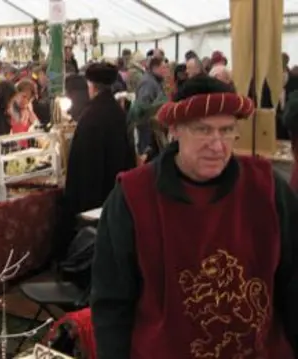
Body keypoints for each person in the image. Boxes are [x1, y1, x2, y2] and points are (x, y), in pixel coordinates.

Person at [91, 76, 298, 358]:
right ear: (175, 129)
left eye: (227, 130)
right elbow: (112, 304)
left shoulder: (268, 190)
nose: (217, 145)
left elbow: (294, 283)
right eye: (203, 130)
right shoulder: (132, 198)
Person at [57, 62, 135, 260]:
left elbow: (83, 163)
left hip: (93, 195)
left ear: (91, 85)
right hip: (114, 188)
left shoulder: (91, 116)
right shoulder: (117, 112)